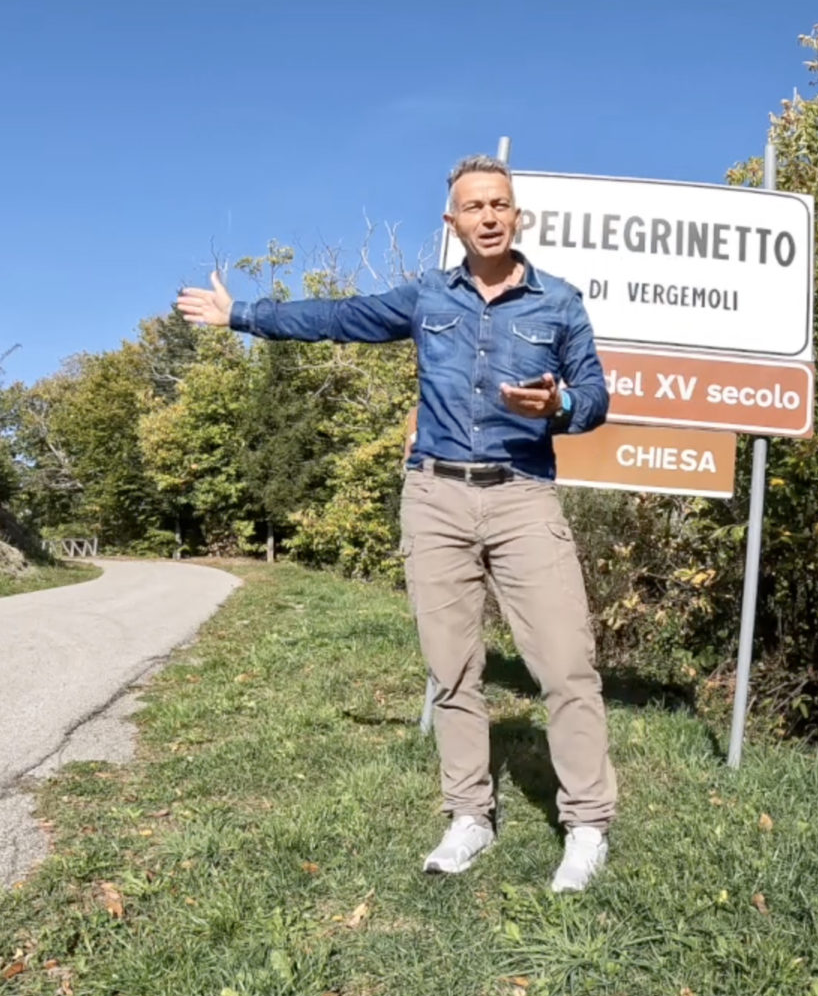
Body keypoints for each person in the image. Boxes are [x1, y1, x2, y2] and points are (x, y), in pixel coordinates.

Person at [173, 154, 619, 893]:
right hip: (436, 497)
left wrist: (563, 408)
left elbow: (597, 394)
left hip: (522, 496)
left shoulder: (559, 303)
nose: (487, 216)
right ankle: (470, 813)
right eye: (472, 206)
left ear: (517, 215)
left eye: (499, 204)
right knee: (453, 671)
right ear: (452, 222)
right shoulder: (426, 299)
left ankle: (586, 825)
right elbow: (337, 317)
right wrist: (242, 314)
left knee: (567, 666)